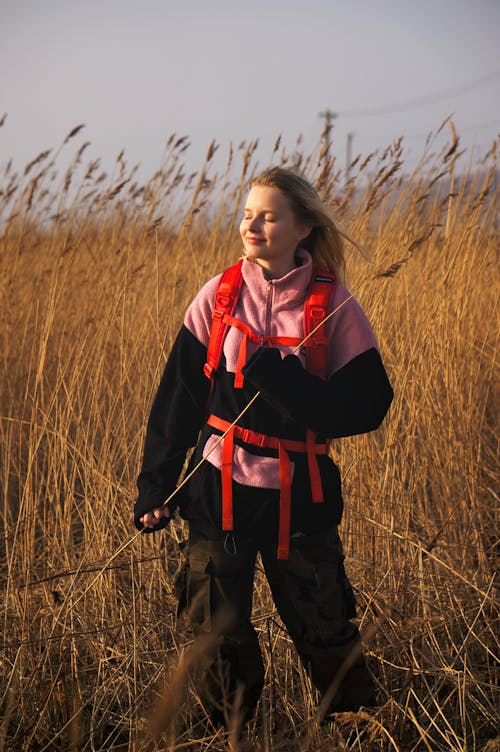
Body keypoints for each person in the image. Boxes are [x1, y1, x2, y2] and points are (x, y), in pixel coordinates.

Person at [134, 167, 393, 728]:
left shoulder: (332, 306)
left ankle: (360, 732)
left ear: (303, 228)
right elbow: (177, 400)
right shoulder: (220, 295)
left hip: (300, 503)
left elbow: (369, 406)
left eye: (268, 215)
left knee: (327, 634)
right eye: (248, 212)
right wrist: (156, 487)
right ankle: (232, 738)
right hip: (215, 497)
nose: (251, 223)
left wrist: (281, 379)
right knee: (215, 637)